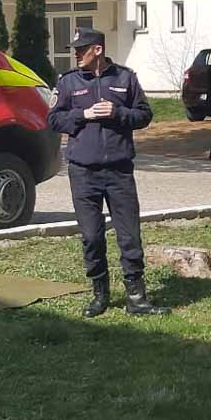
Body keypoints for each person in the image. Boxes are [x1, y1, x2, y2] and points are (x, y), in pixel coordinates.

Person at [48, 28, 163, 317]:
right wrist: (82, 115)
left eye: (81, 48)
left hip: (119, 171)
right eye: (74, 49)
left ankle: (136, 298)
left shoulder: (125, 78)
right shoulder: (68, 82)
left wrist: (117, 113)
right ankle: (100, 295)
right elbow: (53, 119)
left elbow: (144, 115)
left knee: (129, 236)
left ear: (97, 49)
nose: (75, 54)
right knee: (92, 236)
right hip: (83, 172)